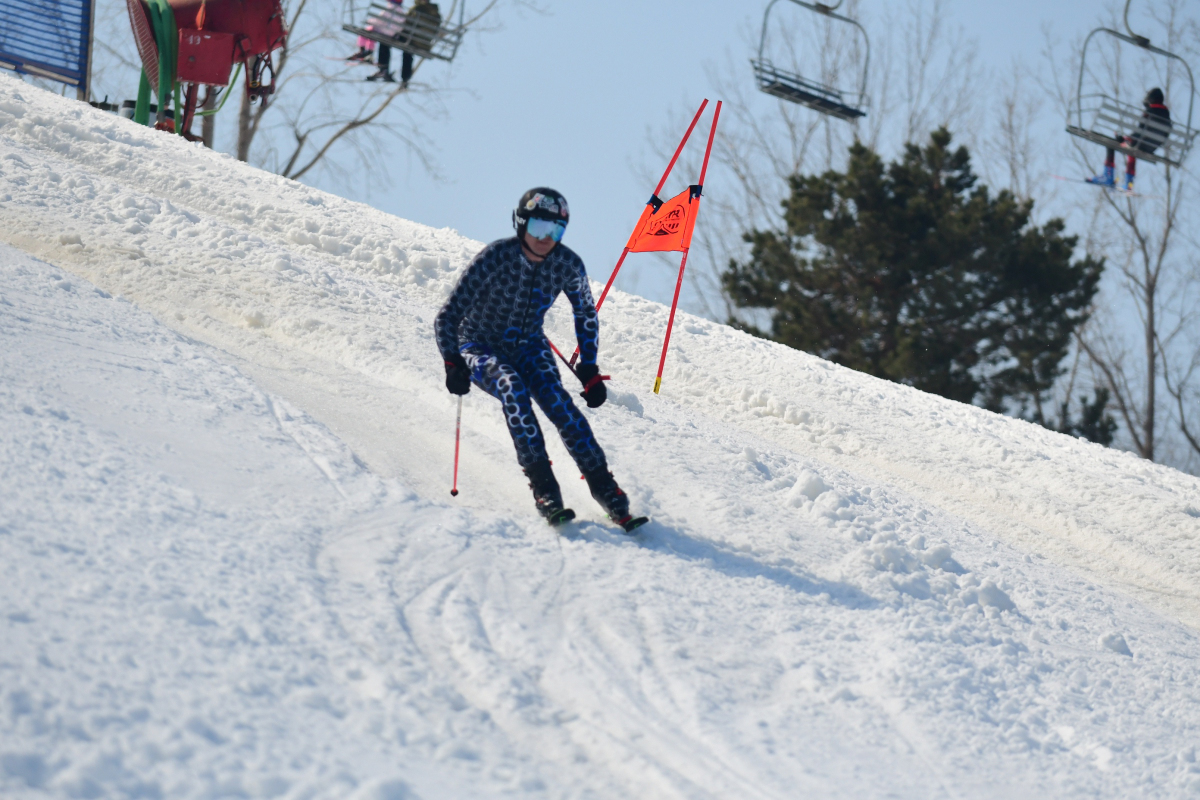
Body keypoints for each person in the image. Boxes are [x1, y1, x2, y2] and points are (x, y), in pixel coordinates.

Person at [435, 188, 645, 531]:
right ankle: (545, 489)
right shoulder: (495, 257)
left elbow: (586, 313)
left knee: (560, 404)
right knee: (513, 388)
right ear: (521, 224)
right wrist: (452, 361)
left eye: (555, 230)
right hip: (478, 345)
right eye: (538, 227)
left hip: (530, 346)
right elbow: (447, 316)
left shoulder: (567, 264)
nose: (545, 238)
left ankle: (605, 488)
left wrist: (589, 368)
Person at [1088, 87, 1172, 192]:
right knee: (1132, 150)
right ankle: (1129, 183)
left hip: (1141, 143)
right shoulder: (1166, 116)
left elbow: (1141, 131)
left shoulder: (1149, 112)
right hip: (1151, 147)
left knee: (1111, 144)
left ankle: (1108, 176)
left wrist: (1125, 139)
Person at [369, 0, 441, 84]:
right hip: (424, 43)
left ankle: (383, 69)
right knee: (408, 52)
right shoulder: (437, 14)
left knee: (386, 40)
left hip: (412, 38)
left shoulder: (418, 8)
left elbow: (407, 22)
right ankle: (405, 78)